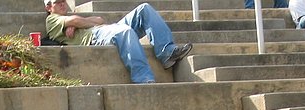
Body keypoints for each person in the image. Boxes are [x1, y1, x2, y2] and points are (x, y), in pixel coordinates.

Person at [44, 0, 193, 84]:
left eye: (63, 1)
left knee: (144, 9)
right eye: (58, 2)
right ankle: (143, 79)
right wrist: (76, 21)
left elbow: (100, 20)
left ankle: (167, 52)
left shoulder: (67, 20)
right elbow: (81, 20)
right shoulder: (51, 20)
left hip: (104, 30)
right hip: (95, 38)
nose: (62, 4)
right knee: (124, 32)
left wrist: (75, 23)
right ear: (49, 7)